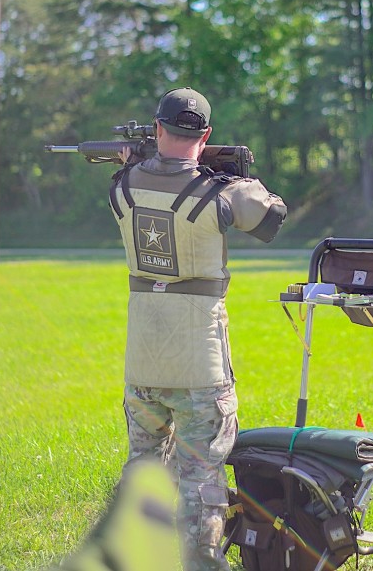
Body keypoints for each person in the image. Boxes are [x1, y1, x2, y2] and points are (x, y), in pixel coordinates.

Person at [109, 86, 287, 571]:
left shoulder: (121, 187)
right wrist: (233, 175)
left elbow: (145, 182)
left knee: (144, 469)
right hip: (199, 360)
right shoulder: (219, 193)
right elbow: (273, 217)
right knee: (201, 480)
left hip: (142, 358)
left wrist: (133, 162)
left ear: (157, 129)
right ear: (205, 134)